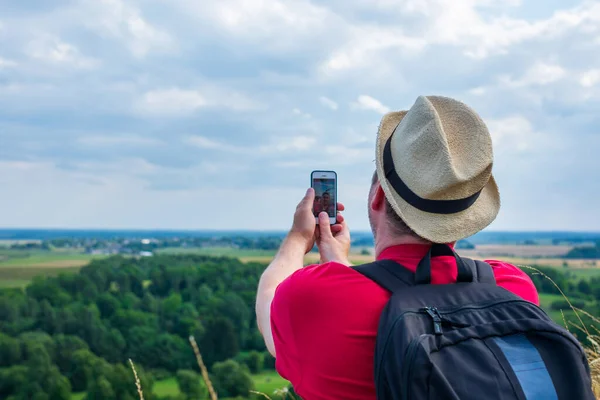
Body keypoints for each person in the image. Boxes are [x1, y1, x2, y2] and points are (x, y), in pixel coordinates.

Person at [255, 96, 540, 400]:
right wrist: (340, 264)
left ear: (377, 196)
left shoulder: (314, 297)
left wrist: (298, 239)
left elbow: (269, 304)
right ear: (464, 217)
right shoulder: (512, 288)